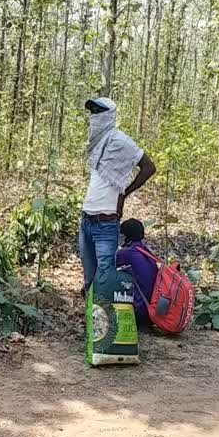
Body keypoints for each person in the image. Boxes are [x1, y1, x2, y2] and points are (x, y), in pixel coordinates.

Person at [79, 97, 156, 299]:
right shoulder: (97, 143)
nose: (94, 116)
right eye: (92, 111)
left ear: (109, 115)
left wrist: (125, 192)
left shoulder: (121, 141)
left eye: (99, 111)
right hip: (86, 218)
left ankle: (104, 325)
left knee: (104, 277)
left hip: (106, 222)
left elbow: (149, 167)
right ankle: (92, 321)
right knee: (89, 277)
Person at [116, 219, 158, 331]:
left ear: (125, 237)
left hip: (139, 312)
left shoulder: (126, 253)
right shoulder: (145, 251)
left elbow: (106, 266)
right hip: (153, 312)